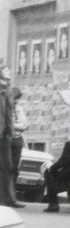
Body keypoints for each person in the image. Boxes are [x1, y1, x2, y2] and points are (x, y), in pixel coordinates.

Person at [0, 66, 21, 208]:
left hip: (4, 134)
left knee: (8, 166)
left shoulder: (8, 90)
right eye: (6, 69)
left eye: (9, 69)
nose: (9, 71)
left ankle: (7, 198)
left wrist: (10, 130)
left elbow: (9, 113)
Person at [10, 89, 24, 187]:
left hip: (18, 140)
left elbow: (25, 125)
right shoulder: (4, 109)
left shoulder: (19, 109)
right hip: (7, 139)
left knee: (15, 168)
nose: (16, 101)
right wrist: (18, 125)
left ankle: (12, 192)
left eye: (18, 99)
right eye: (15, 99)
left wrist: (13, 125)